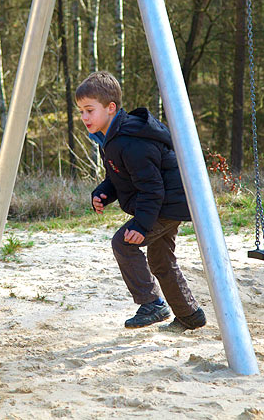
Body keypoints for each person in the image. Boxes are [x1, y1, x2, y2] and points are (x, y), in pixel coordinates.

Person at [76, 71, 206, 333]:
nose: (84, 118)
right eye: (81, 111)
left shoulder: (130, 140)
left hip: (166, 203)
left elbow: (152, 187)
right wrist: (102, 193)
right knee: (160, 260)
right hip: (166, 203)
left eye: (89, 110)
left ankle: (151, 304)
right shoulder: (111, 138)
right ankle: (189, 315)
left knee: (123, 243)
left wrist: (142, 225)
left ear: (111, 108)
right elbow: (120, 176)